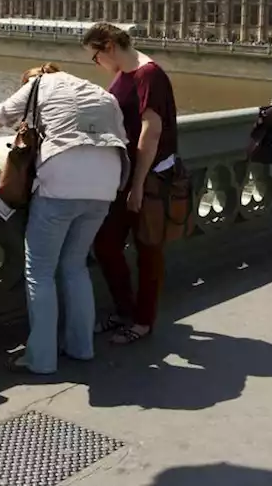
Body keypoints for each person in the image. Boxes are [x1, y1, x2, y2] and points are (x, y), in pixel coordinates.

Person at [0, 63, 129, 375]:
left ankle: (41, 359)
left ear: (33, 80)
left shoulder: (40, 85)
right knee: (75, 266)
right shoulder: (100, 93)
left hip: (61, 183)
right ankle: (81, 347)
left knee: (39, 272)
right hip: (107, 185)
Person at [83, 22, 181, 345]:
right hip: (124, 176)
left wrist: (138, 184)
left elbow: (150, 133)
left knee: (148, 248)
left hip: (149, 178)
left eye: (95, 57)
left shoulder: (147, 74)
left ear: (109, 46)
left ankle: (143, 321)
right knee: (106, 244)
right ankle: (125, 309)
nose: (96, 64)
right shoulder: (124, 75)